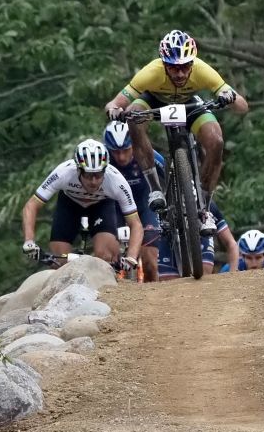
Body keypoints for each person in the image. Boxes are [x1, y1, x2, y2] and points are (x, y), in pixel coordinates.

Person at [103, 30, 248, 230]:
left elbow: (243, 106)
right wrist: (114, 110)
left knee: (216, 141)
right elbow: (115, 103)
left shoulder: (202, 70)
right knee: (133, 116)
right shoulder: (151, 72)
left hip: (190, 105)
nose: (180, 74)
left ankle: (204, 209)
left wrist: (228, 96)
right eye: (173, 68)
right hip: (154, 102)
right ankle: (155, 188)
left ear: (192, 63)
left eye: (185, 67)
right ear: (163, 64)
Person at [21, 139, 143, 270]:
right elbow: (31, 205)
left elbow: (136, 224)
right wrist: (29, 241)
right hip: (69, 204)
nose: (94, 181)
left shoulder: (116, 181)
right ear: (78, 170)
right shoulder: (64, 172)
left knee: (106, 258)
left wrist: (131, 257)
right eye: (88, 175)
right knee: (60, 264)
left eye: (98, 174)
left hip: (101, 205)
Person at [103, 121, 163, 282]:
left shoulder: (146, 153)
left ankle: (153, 301)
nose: (121, 157)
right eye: (115, 152)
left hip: (145, 206)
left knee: (150, 263)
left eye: (126, 150)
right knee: (108, 258)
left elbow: (173, 178)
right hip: (115, 208)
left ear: (134, 145)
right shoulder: (104, 160)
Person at [156, 200, 240, 279]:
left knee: (204, 272)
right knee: (170, 287)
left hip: (199, 235)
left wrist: (232, 277)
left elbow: (231, 244)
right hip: (168, 239)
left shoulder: (207, 203)